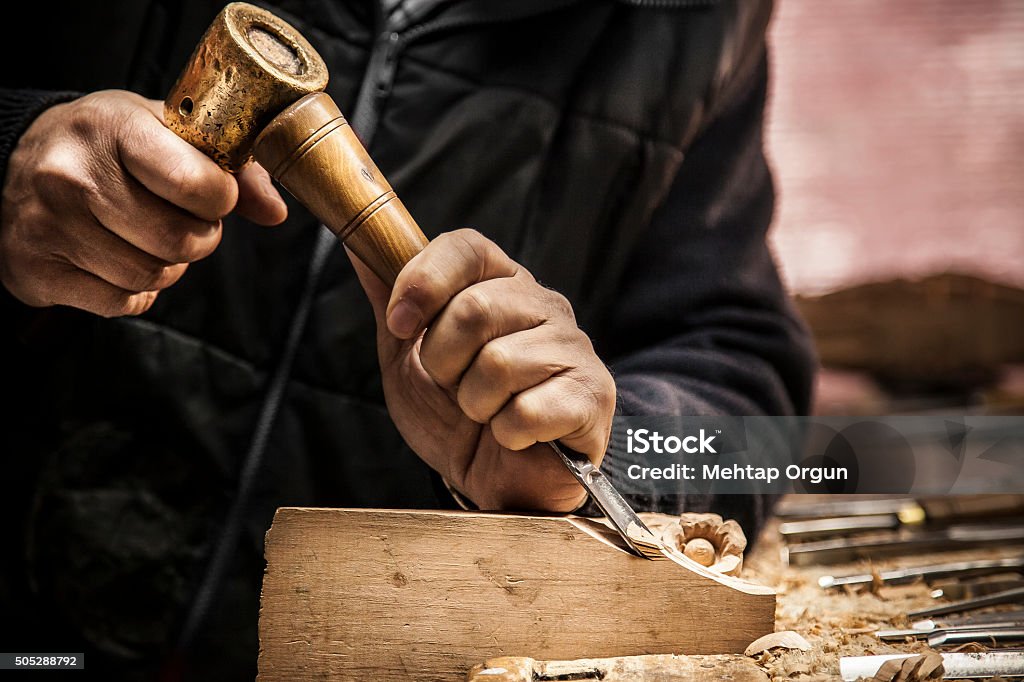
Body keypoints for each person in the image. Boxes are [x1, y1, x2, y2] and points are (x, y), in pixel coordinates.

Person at [0, 0, 814, 678]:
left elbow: (734, 368)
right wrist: (7, 156)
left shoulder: (705, 20)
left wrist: (580, 466)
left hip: (383, 654)